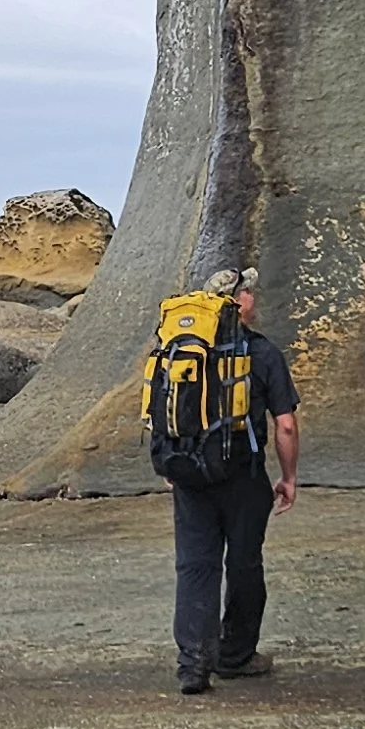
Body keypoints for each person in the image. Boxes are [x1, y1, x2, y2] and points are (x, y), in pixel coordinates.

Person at [155, 266, 298, 694]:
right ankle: (235, 656)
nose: (256, 297)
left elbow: (161, 408)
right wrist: (288, 477)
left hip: (190, 475)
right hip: (243, 476)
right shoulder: (262, 352)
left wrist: (172, 464)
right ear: (241, 302)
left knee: (194, 566)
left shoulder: (177, 349)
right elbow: (285, 425)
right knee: (243, 564)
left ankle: (193, 666)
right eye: (251, 291)